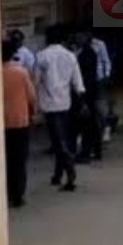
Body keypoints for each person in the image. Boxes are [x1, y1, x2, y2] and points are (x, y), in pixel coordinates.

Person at [35, 24, 86, 192]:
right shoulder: (70, 56)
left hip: (50, 105)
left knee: (58, 141)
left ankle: (70, 172)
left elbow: (36, 81)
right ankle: (58, 174)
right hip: (66, 103)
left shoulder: (42, 56)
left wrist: (35, 105)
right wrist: (81, 100)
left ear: (47, 39)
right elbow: (78, 83)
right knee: (62, 138)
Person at [2, 39, 36, 208]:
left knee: (5, 159)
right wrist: (33, 113)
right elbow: (32, 97)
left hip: (1, 123)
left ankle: (6, 192)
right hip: (20, 121)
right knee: (19, 160)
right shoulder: (21, 72)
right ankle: (18, 195)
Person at [74, 30, 103, 162]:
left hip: (88, 92)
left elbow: (87, 77)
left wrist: (83, 97)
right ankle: (96, 150)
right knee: (92, 123)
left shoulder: (87, 54)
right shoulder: (87, 52)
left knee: (87, 124)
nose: (77, 40)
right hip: (91, 91)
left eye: (79, 37)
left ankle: (86, 152)